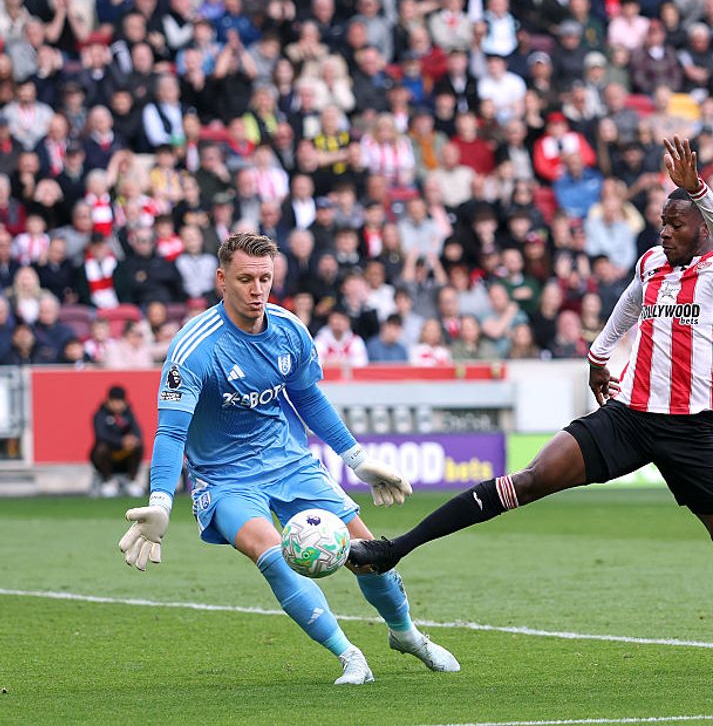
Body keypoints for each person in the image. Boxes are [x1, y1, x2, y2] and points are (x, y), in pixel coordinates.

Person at [349, 138, 713, 674]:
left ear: (703, 228)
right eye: (662, 223)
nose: (664, 232)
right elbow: (631, 300)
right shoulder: (653, 263)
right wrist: (599, 353)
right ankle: (396, 549)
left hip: (690, 431)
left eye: (676, 224)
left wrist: (699, 190)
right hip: (629, 417)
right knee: (530, 479)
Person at [117, 234, 459, 685]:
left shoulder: (289, 330)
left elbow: (308, 398)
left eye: (265, 278)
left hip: (290, 462)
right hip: (226, 479)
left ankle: (406, 633)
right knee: (273, 555)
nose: (257, 289)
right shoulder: (194, 348)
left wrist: (356, 459)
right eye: (245, 279)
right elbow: (171, 431)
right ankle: (349, 655)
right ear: (222, 279)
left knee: (368, 554)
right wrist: (161, 502)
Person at [90, 385, 145, 498]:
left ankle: (131, 481)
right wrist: (121, 441)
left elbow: (138, 432)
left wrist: (133, 440)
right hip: (107, 457)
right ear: (109, 401)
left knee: (138, 446)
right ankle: (107, 482)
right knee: (102, 449)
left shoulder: (128, 415)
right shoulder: (100, 415)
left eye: (121, 402)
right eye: (115, 401)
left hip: (124, 457)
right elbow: (101, 435)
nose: (118, 405)